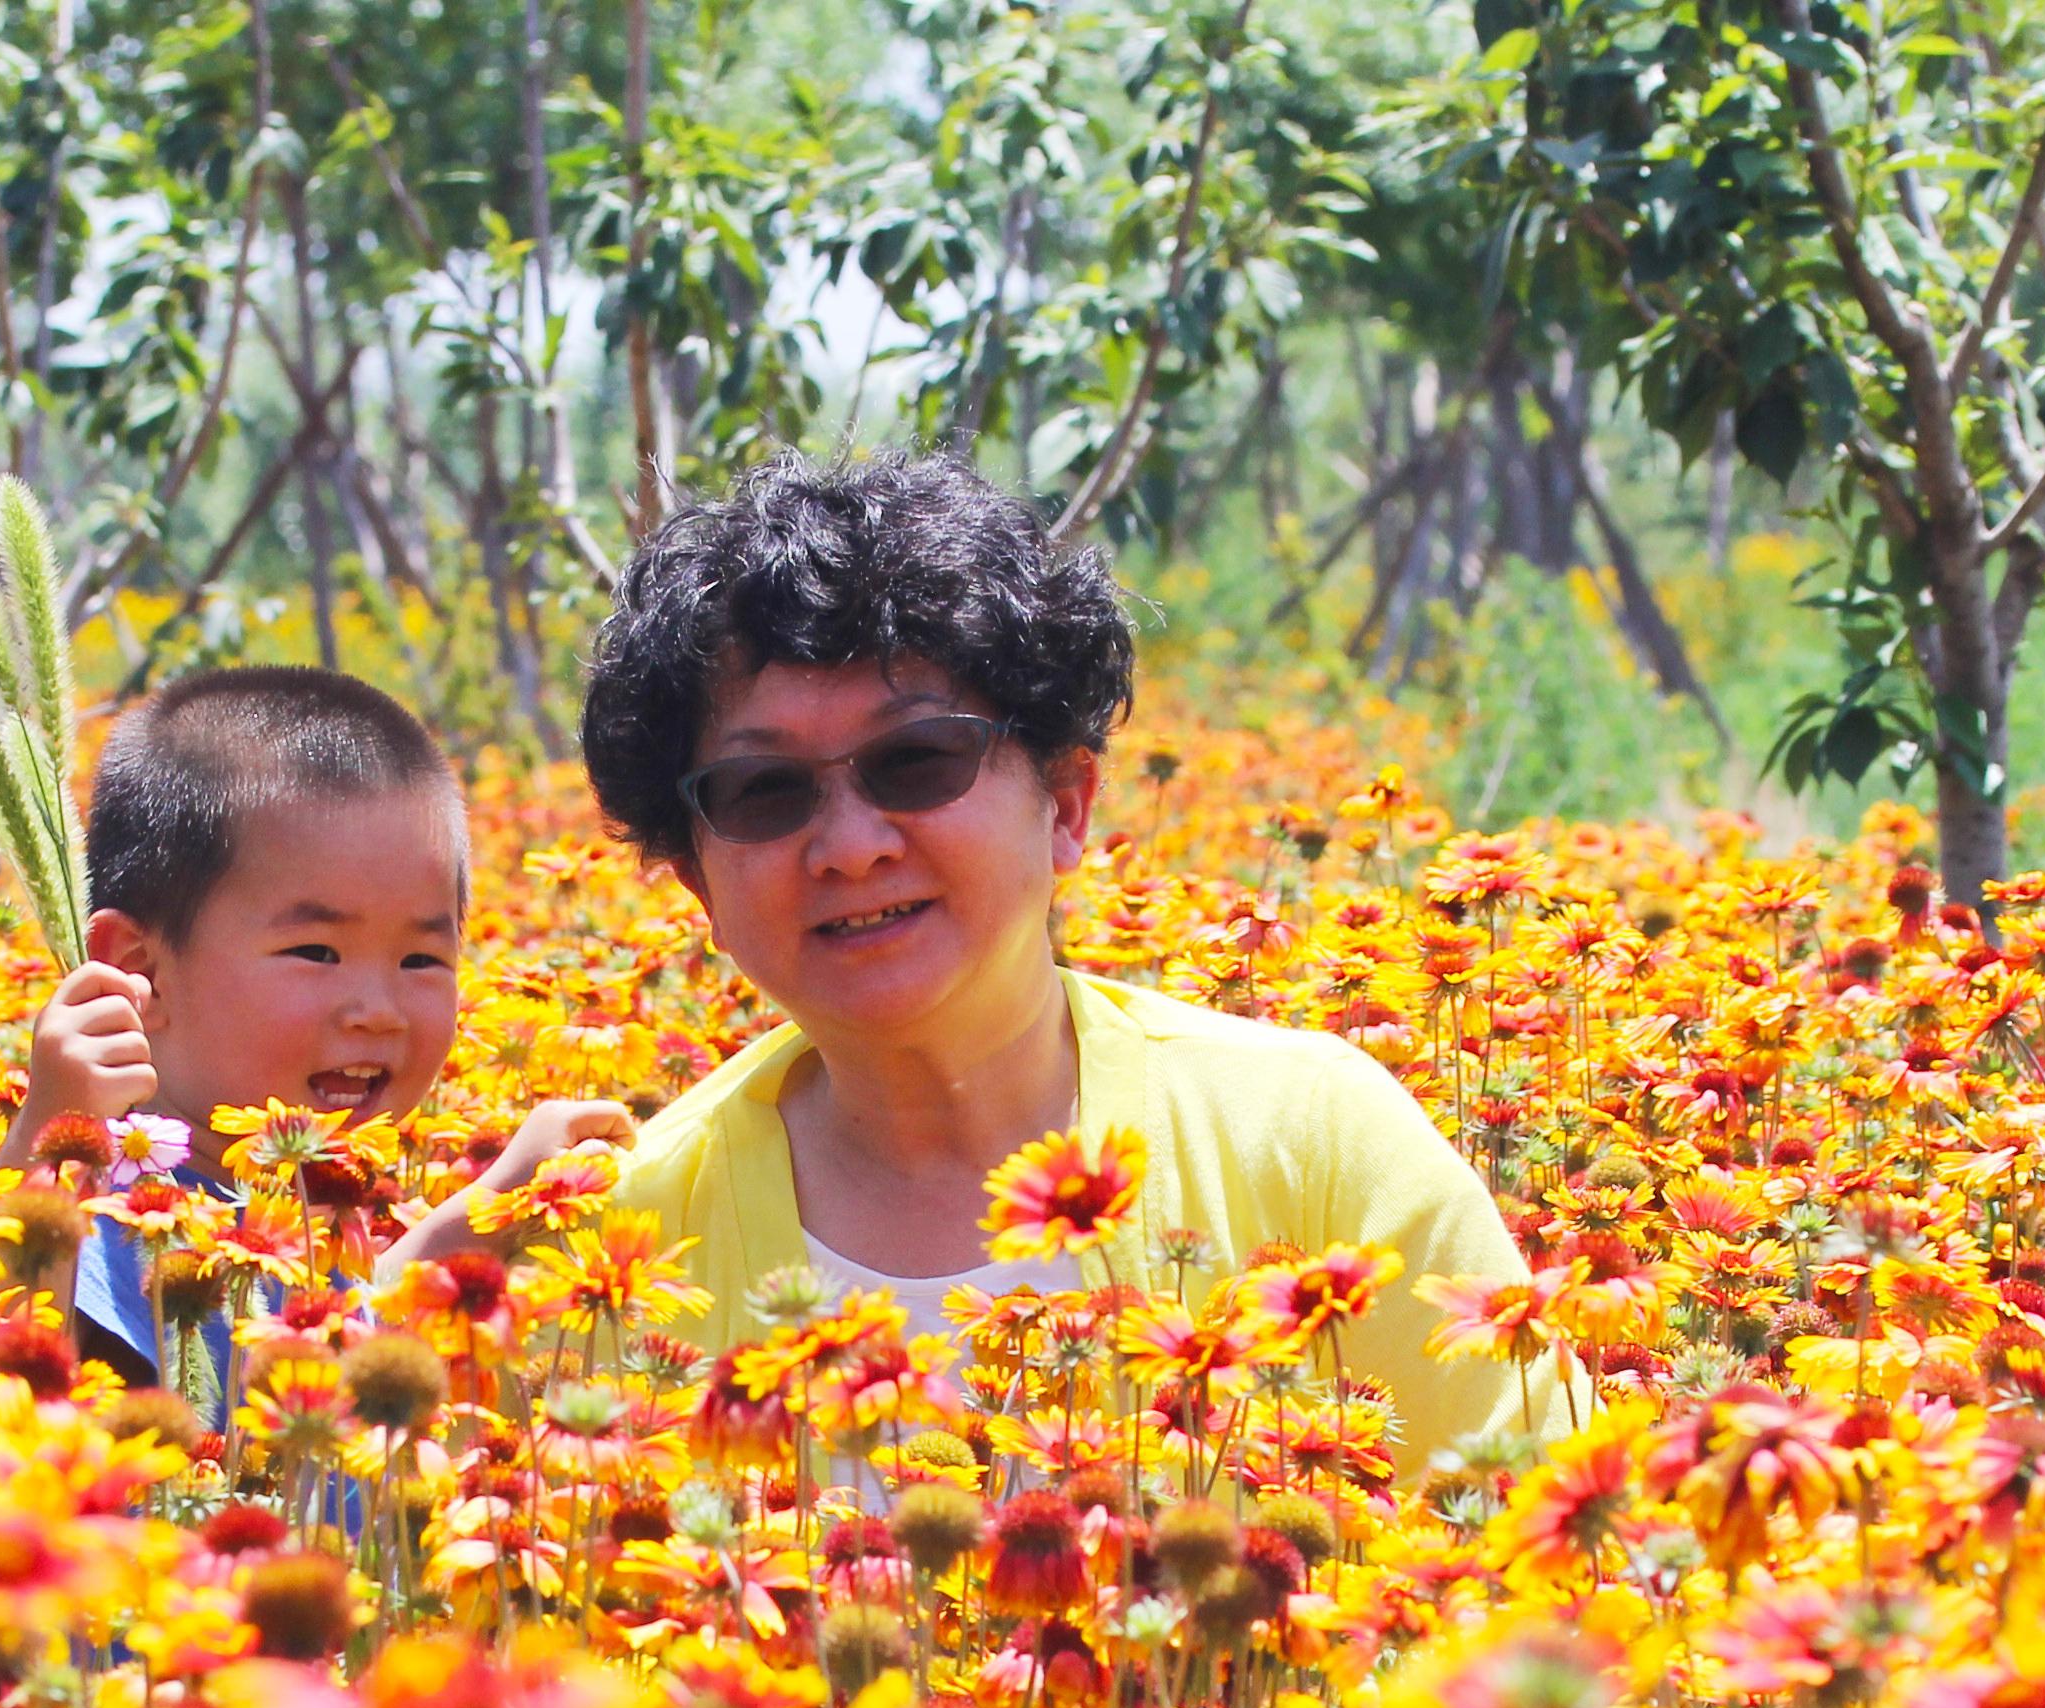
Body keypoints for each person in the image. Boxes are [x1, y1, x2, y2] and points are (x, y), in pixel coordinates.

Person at [395, 451, 1566, 1475]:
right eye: (764, 791)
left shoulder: (1312, 1148)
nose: (850, 847)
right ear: (697, 880)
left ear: (1065, 803)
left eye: (918, 762)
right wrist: (420, 1287)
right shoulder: (621, 1246)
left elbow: (1554, 1571)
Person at [7, 667, 626, 1386]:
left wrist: (499, 1203)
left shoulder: (299, 1211)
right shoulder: (106, 1217)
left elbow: (343, 1333)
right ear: (141, 970)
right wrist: (44, 1145)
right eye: (317, 952)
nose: (379, 1011)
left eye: (421, 959)